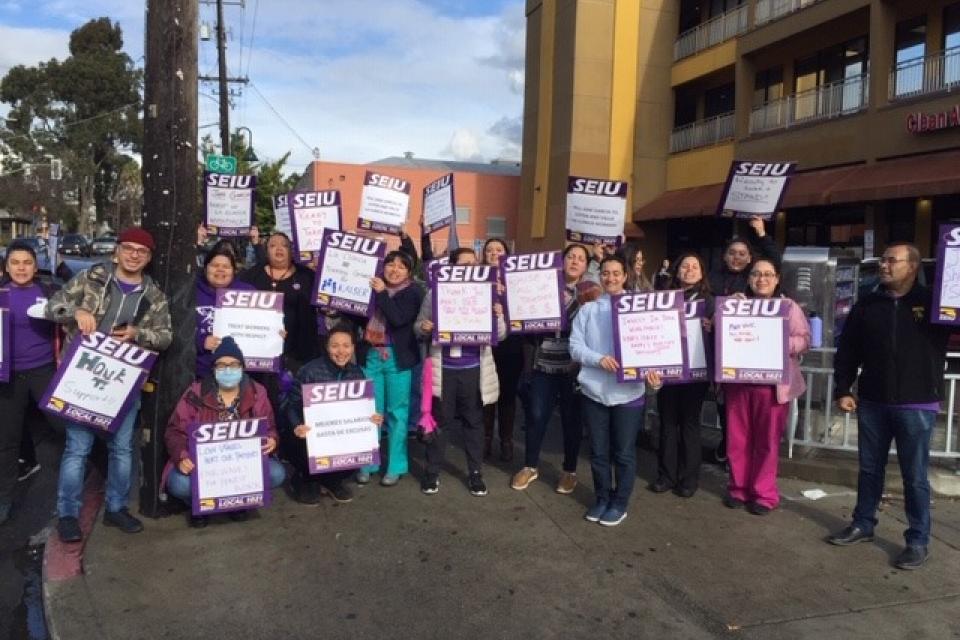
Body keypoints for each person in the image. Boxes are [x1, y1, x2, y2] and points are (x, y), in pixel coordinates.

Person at [46, 227, 172, 542]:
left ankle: (117, 508)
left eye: (141, 251)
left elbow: (166, 336)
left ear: (148, 257)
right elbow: (51, 306)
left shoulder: (153, 295)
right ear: (117, 251)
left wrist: (138, 335)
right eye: (128, 248)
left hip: (123, 383)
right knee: (77, 448)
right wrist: (77, 311)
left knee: (122, 448)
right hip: (83, 378)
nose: (133, 255)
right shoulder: (92, 277)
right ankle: (68, 515)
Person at [828, 243, 949, 570]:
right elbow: (848, 350)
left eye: (891, 260)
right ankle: (863, 523)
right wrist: (843, 388)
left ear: (911, 267)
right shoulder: (867, 304)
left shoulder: (933, 304)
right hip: (873, 401)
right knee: (869, 469)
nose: (884, 265)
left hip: (917, 403)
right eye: (882, 259)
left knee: (914, 476)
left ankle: (918, 540)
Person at [570, 255, 662, 527]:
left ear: (625, 276)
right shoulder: (588, 310)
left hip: (629, 393)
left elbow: (654, 346)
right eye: (606, 273)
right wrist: (598, 359)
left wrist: (656, 380)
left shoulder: (640, 309)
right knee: (598, 452)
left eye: (616, 273)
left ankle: (619, 503)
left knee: (623, 453)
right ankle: (601, 498)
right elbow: (574, 346)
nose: (610, 278)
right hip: (594, 392)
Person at [164, 337, 285, 527]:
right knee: (179, 484)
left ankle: (238, 503)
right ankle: (198, 506)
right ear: (213, 369)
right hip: (205, 467)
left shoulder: (257, 392)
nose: (228, 370)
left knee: (276, 473)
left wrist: (271, 439)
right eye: (221, 365)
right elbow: (174, 430)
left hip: (241, 468)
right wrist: (182, 456)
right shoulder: (196, 393)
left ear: (242, 367)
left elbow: (269, 426)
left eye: (234, 364)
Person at [415, 247, 506, 497]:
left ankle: (475, 473)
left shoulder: (486, 294)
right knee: (439, 424)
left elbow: (500, 335)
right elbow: (417, 328)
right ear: (452, 267)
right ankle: (432, 472)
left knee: (474, 423)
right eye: (464, 264)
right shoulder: (435, 293)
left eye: (473, 264)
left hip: (473, 370)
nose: (469, 268)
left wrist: (498, 318)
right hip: (443, 370)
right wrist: (424, 326)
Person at [721, 257, 809, 516]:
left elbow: (804, 339)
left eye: (768, 274)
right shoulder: (736, 304)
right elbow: (717, 330)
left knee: (767, 442)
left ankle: (763, 494)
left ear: (777, 278)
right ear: (749, 279)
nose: (762, 279)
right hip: (739, 383)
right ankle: (738, 488)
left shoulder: (788, 306)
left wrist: (778, 342)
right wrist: (725, 310)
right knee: (737, 440)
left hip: (772, 386)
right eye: (756, 274)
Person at [511, 243, 590, 494]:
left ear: (586, 266)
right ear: (562, 261)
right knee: (536, 417)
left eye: (580, 258)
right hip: (543, 364)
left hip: (573, 368)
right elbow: (521, 321)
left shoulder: (591, 294)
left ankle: (569, 471)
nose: (575, 261)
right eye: (570, 257)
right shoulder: (541, 286)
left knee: (571, 421)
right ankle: (530, 466)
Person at [283, 324, 381, 504]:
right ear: (327, 347)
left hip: (339, 435)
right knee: (301, 448)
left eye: (346, 345)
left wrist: (371, 419)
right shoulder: (309, 372)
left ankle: (332, 481)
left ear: (353, 348)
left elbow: (360, 409)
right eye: (335, 345)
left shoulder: (357, 373)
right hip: (310, 437)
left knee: (359, 449)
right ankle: (304, 478)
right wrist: (297, 426)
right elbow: (291, 407)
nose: (341, 351)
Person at [0, 241, 59, 525]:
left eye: (27, 263)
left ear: (35, 267)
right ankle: (5, 498)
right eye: (15, 262)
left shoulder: (49, 291)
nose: (21, 268)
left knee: (63, 425)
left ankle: (78, 484)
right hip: (7, 376)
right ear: (6, 266)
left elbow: (73, 314)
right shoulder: (1, 294)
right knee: (7, 440)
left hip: (43, 370)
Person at [355, 250, 424, 486]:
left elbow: (397, 319)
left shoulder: (414, 292)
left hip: (398, 358)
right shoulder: (371, 287)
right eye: (390, 264)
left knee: (397, 413)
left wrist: (382, 293)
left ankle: (396, 465)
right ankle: (367, 462)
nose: (394, 270)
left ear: (409, 271)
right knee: (370, 412)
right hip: (370, 355)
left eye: (401, 266)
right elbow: (356, 314)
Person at [649, 252, 713, 498]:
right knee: (667, 422)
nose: (689, 270)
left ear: (701, 273)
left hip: (695, 372)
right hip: (668, 369)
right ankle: (665, 476)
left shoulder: (709, 301)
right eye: (684, 266)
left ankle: (688, 479)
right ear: (676, 271)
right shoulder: (663, 297)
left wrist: (713, 325)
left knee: (689, 424)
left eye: (694, 266)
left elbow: (721, 332)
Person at [481, 238, 523, 462]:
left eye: (498, 249)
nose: (493, 253)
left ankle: (506, 440)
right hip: (484, 346)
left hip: (511, 347)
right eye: (489, 250)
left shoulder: (517, 281)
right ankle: (486, 438)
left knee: (507, 396)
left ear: (506, 253)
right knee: (487, 394)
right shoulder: (475, 279)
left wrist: (505, 304)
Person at [195, 240, 256, 379]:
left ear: (234, 271)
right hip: (199, 372)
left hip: (239, 373)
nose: (220, 269)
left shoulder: (248, 292)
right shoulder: (190, 291)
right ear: (205, 269)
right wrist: (200, 341)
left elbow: (263, 327)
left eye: (226, 266)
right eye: (215, 265)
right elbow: (175, 328)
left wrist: (274, 334)